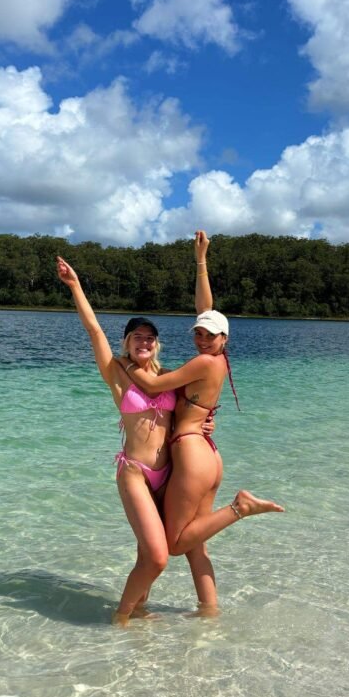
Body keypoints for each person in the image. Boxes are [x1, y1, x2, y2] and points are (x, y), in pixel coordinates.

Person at [56, 253, 217, 624]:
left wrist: (206, 425)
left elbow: (196, 407)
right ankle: (121, 617)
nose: (143, 341)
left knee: (149, 552)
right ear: (127, 342)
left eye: (149, 337)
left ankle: (139, 608)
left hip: (170, 474)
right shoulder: (117, 373)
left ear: (156, 345)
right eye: (136, 337)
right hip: (135, 473)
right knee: (158, 557)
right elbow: (94, 331)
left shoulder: (171, 377)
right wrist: (75, 286)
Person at [119, 231, 283, 561]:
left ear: (224, 338)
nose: (203, 339)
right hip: (206, 452)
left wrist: (125, 363)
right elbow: (205, 310)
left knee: (176, 544)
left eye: (211, 335)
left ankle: (239, 508)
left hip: (192, 453)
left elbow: (153, 386)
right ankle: (209, 599)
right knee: (196, 549)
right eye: (199, 334)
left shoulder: (204, 362)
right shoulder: (215, 359)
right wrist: (201, 260)